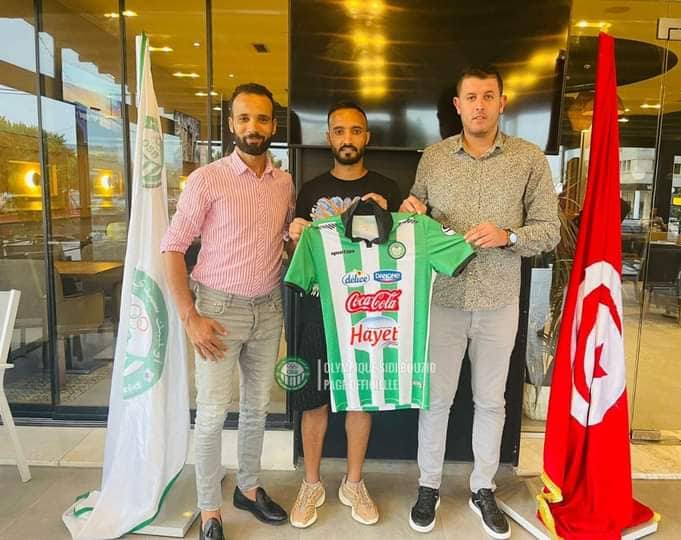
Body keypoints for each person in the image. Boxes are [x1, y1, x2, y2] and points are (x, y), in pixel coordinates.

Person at [401, 66, 560, 538]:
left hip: (499, 300)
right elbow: (415, 215)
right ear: (458, 105)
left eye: (488, 96)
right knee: (435, 400)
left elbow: (549, 231)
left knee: (491, 401)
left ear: (502, 103)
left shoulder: (529, 159)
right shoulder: (433, 158)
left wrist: (508, 235)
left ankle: (482, 488)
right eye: (471, 96)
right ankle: (428, 486)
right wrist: (411, 210)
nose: (479, 105)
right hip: (442, 299)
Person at [161, 83, 294, 540]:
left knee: (257, 407)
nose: (253, 127)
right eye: (244, 118)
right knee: (213, 413)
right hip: (218, 311)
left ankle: (249, 488)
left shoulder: (284, 183)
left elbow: (281, 240)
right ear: (231, 124)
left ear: (273, 126)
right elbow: (173, 248)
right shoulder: (207, 179)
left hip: (268, 308)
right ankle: (209, 510)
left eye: (262, 119)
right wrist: (190, 317)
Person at [286, 101, 401, 529]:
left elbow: (399, 250)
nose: (347, 138)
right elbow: (296, 257)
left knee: (360, 397)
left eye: (355, 130)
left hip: (367, 314)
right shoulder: (309, 190)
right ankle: (311, 483)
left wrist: (388, 214)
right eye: (339, 131)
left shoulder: (387, 187)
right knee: (313, 400)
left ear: (366, 137)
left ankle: (353, 483)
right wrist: (293, 235)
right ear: (329, 137)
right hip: (317, 310)